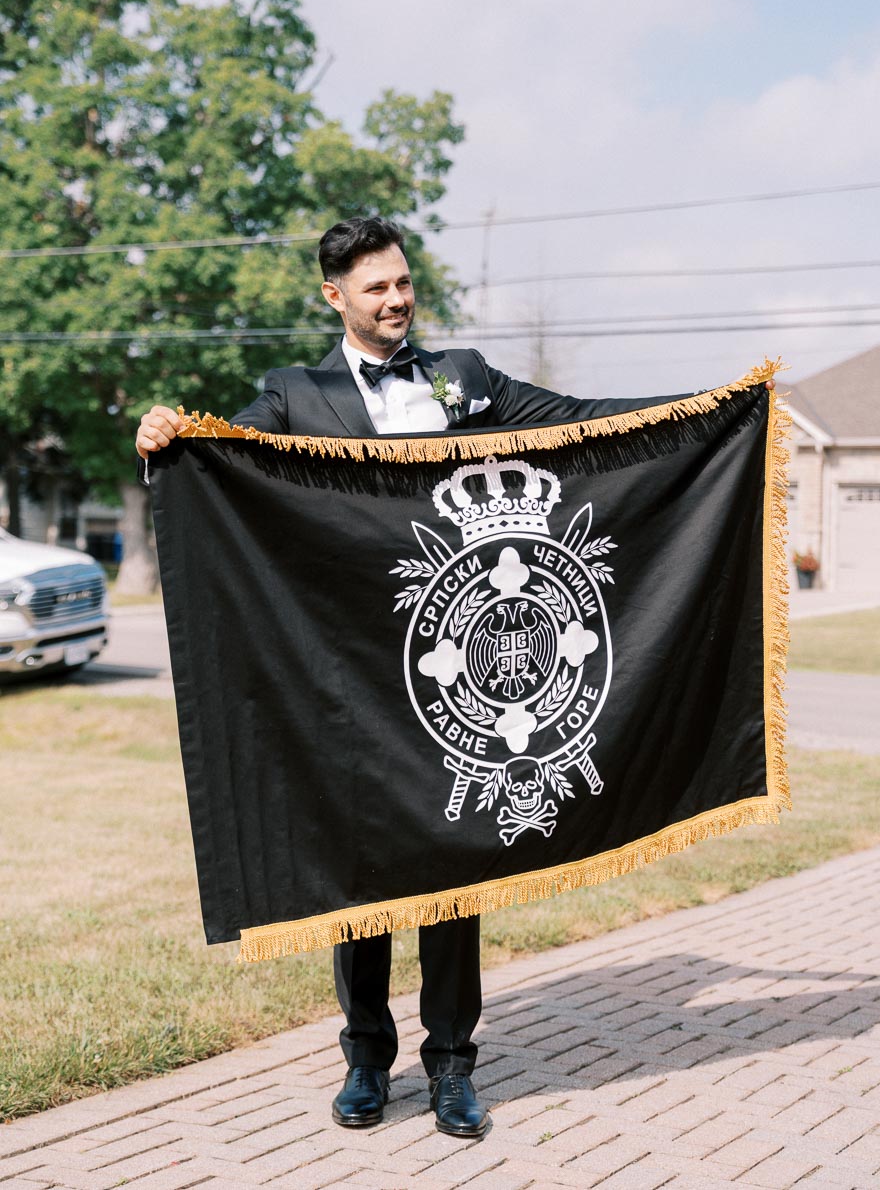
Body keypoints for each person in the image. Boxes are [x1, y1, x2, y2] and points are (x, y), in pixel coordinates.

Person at [136, 215, 773, 1139]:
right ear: (334, 297)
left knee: (456, 867)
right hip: (352, 677)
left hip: (458, 677)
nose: (397, 300)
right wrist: (165, 436)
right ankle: (365, 1057)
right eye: (376, 288)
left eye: (403, 283)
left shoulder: (464, 377)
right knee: (360, 870)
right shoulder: (293, 393)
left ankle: (452, 1065)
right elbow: (226, 458)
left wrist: (717, 408)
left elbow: (582, 421)